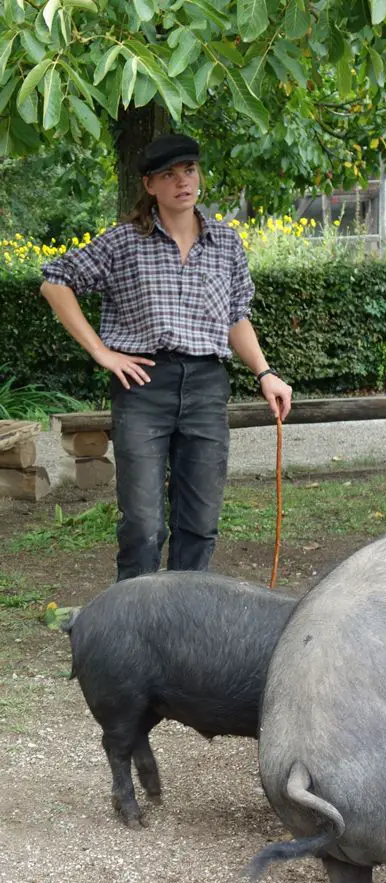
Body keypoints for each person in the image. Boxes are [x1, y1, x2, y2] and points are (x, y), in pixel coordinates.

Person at [40, 133, 292, 581]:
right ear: (149, 185)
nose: (183, 182)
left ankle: (183, 625)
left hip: (206, 386)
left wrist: (265, 373)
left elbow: (235, 317)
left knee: (199, 524)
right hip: (143, 387)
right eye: (169, 175)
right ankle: (133, 631)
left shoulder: (226, 245)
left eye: (190, 171)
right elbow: (55, 280)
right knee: (143, 525)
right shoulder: (123, 243)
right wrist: (101, 351)